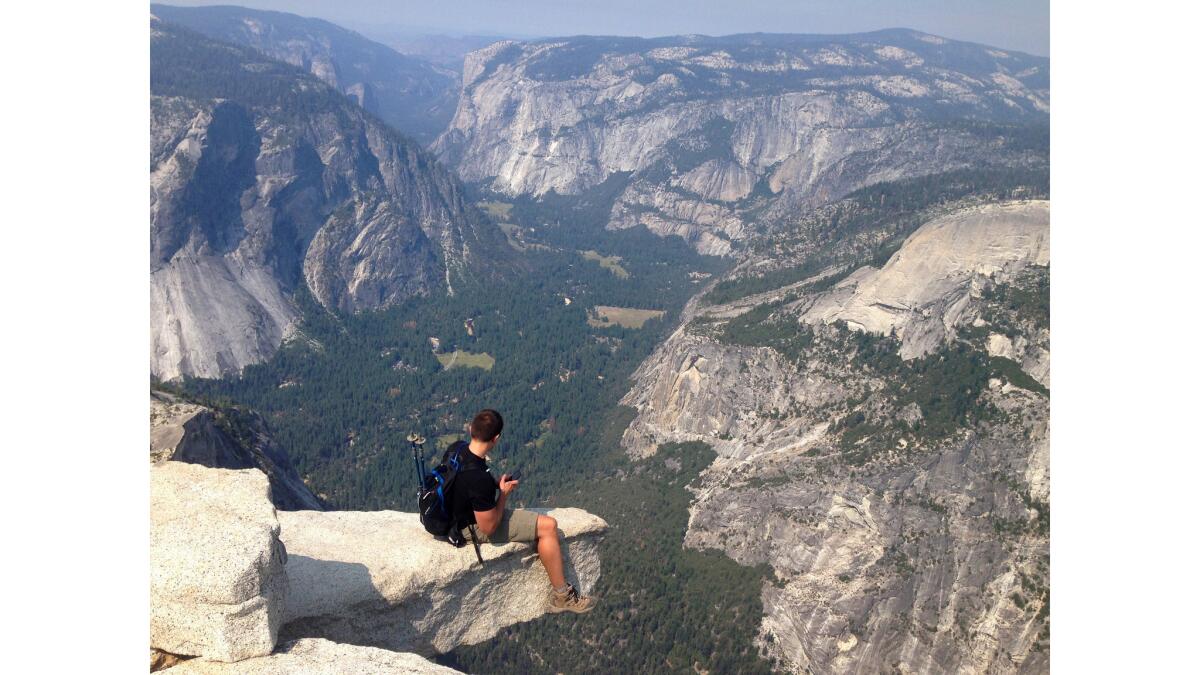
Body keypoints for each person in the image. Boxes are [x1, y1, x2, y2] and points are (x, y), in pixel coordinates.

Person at [449, 408, 596, 614]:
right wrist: (503, 495)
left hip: (451, 515)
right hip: (468, 526)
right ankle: (562, 596)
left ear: (471, 429)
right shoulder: (477, 478)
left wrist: (495, 486)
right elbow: (489, 527)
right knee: (548, 526)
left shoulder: (457, 449)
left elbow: (467, 487)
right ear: (496, 438)